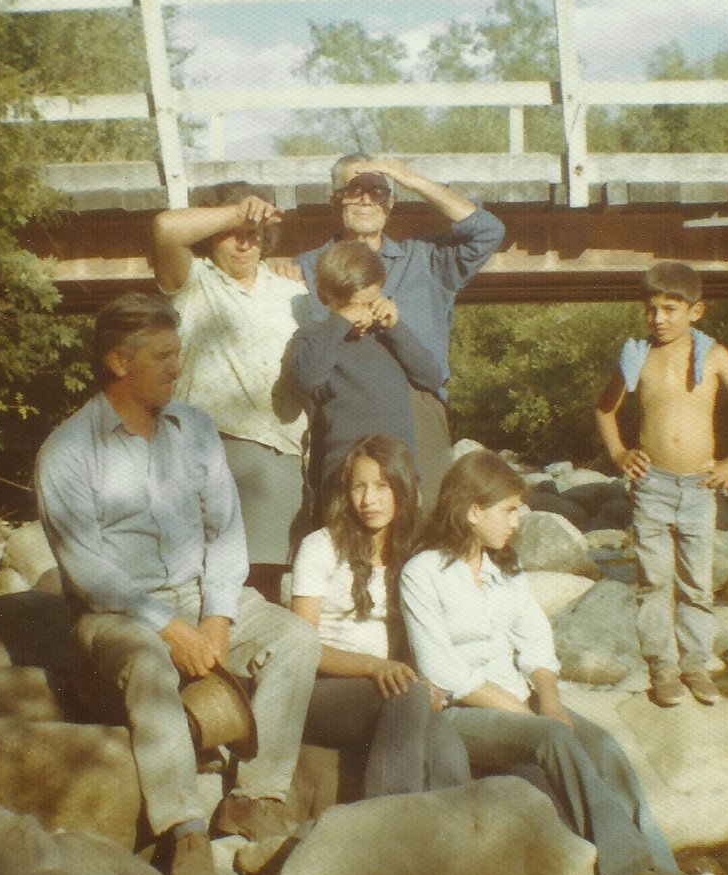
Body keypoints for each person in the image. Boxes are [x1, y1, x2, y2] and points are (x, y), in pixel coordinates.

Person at [35, 293, 320, 875]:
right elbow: (87, 568)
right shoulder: (68, 450)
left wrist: (216, 616)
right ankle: (184, 826)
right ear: (118, 362)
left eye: (177, 354)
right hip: (119, 612)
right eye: (162, 356)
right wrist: (171, 629)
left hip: (201, 594)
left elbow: (226, 529)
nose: (175, 368)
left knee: (294, 636)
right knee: (145, 664)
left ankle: (253, 797)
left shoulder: (194, 429)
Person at [399, 449, 720, 875]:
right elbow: (444, 672)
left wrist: (547, 699)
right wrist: (531, 714)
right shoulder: (423, 573)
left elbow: (535, 639)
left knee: (603, 744)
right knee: (553, 739)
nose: (516, 522)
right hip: (459, 715)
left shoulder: (503, 569)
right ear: (472, 512)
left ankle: (663, 870)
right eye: (508, 511)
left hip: (522, 704)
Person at [594, 261, 728, 707]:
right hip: (651, 486)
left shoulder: (713, 357)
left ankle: (695, 665)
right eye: (651, 309)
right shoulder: (636, 356)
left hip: (699, 489)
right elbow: (604, 410)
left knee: (696, 584)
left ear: (696, 311)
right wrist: (618, 454)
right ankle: (663, 669)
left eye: (671, 308)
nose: (659, 318)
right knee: (653, 581)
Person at [291, 154, 505, 508]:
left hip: (418, 403)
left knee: (425, 527)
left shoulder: (426, 259)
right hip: (341, 411)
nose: (365, 198)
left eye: (378, 191)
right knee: (348, 529)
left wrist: (412, 179)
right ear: (334, 200)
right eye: (354, 189)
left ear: (391, 204)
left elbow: (488, 231)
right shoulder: (305, 268)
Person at [152, 191, 314, 602]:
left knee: (264, 586)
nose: (244, 243)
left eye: (253, 234)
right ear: (212, 237)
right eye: (231, 234)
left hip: (280, 458)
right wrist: (236, 212)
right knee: (202, 583)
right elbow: (165, 229)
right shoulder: (194, 280)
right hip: (208, 453)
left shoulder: (293, 292)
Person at [290, 434, 470, 797]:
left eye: (382, 486)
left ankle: (454, 836)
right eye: (359, 487)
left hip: (391, 688)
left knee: (444, 741)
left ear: (402, 489)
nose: (368, 500)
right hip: (322, 691)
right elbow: (300, 648)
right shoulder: (320, 547)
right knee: (408, 697)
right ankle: (384, 821)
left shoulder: (415, 553)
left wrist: (422, 680)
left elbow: (417, 637)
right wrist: (374, 667)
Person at [286, 240, 444, 506]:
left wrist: (396, 328)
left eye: (369, 303)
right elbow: (306, 378)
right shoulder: (315, 337)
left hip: (398, 476)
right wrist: (338, 324)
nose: (361, 315)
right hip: (343, 478)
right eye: (350, 306)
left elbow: (431, 376)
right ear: (326, 298)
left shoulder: (388, 336)